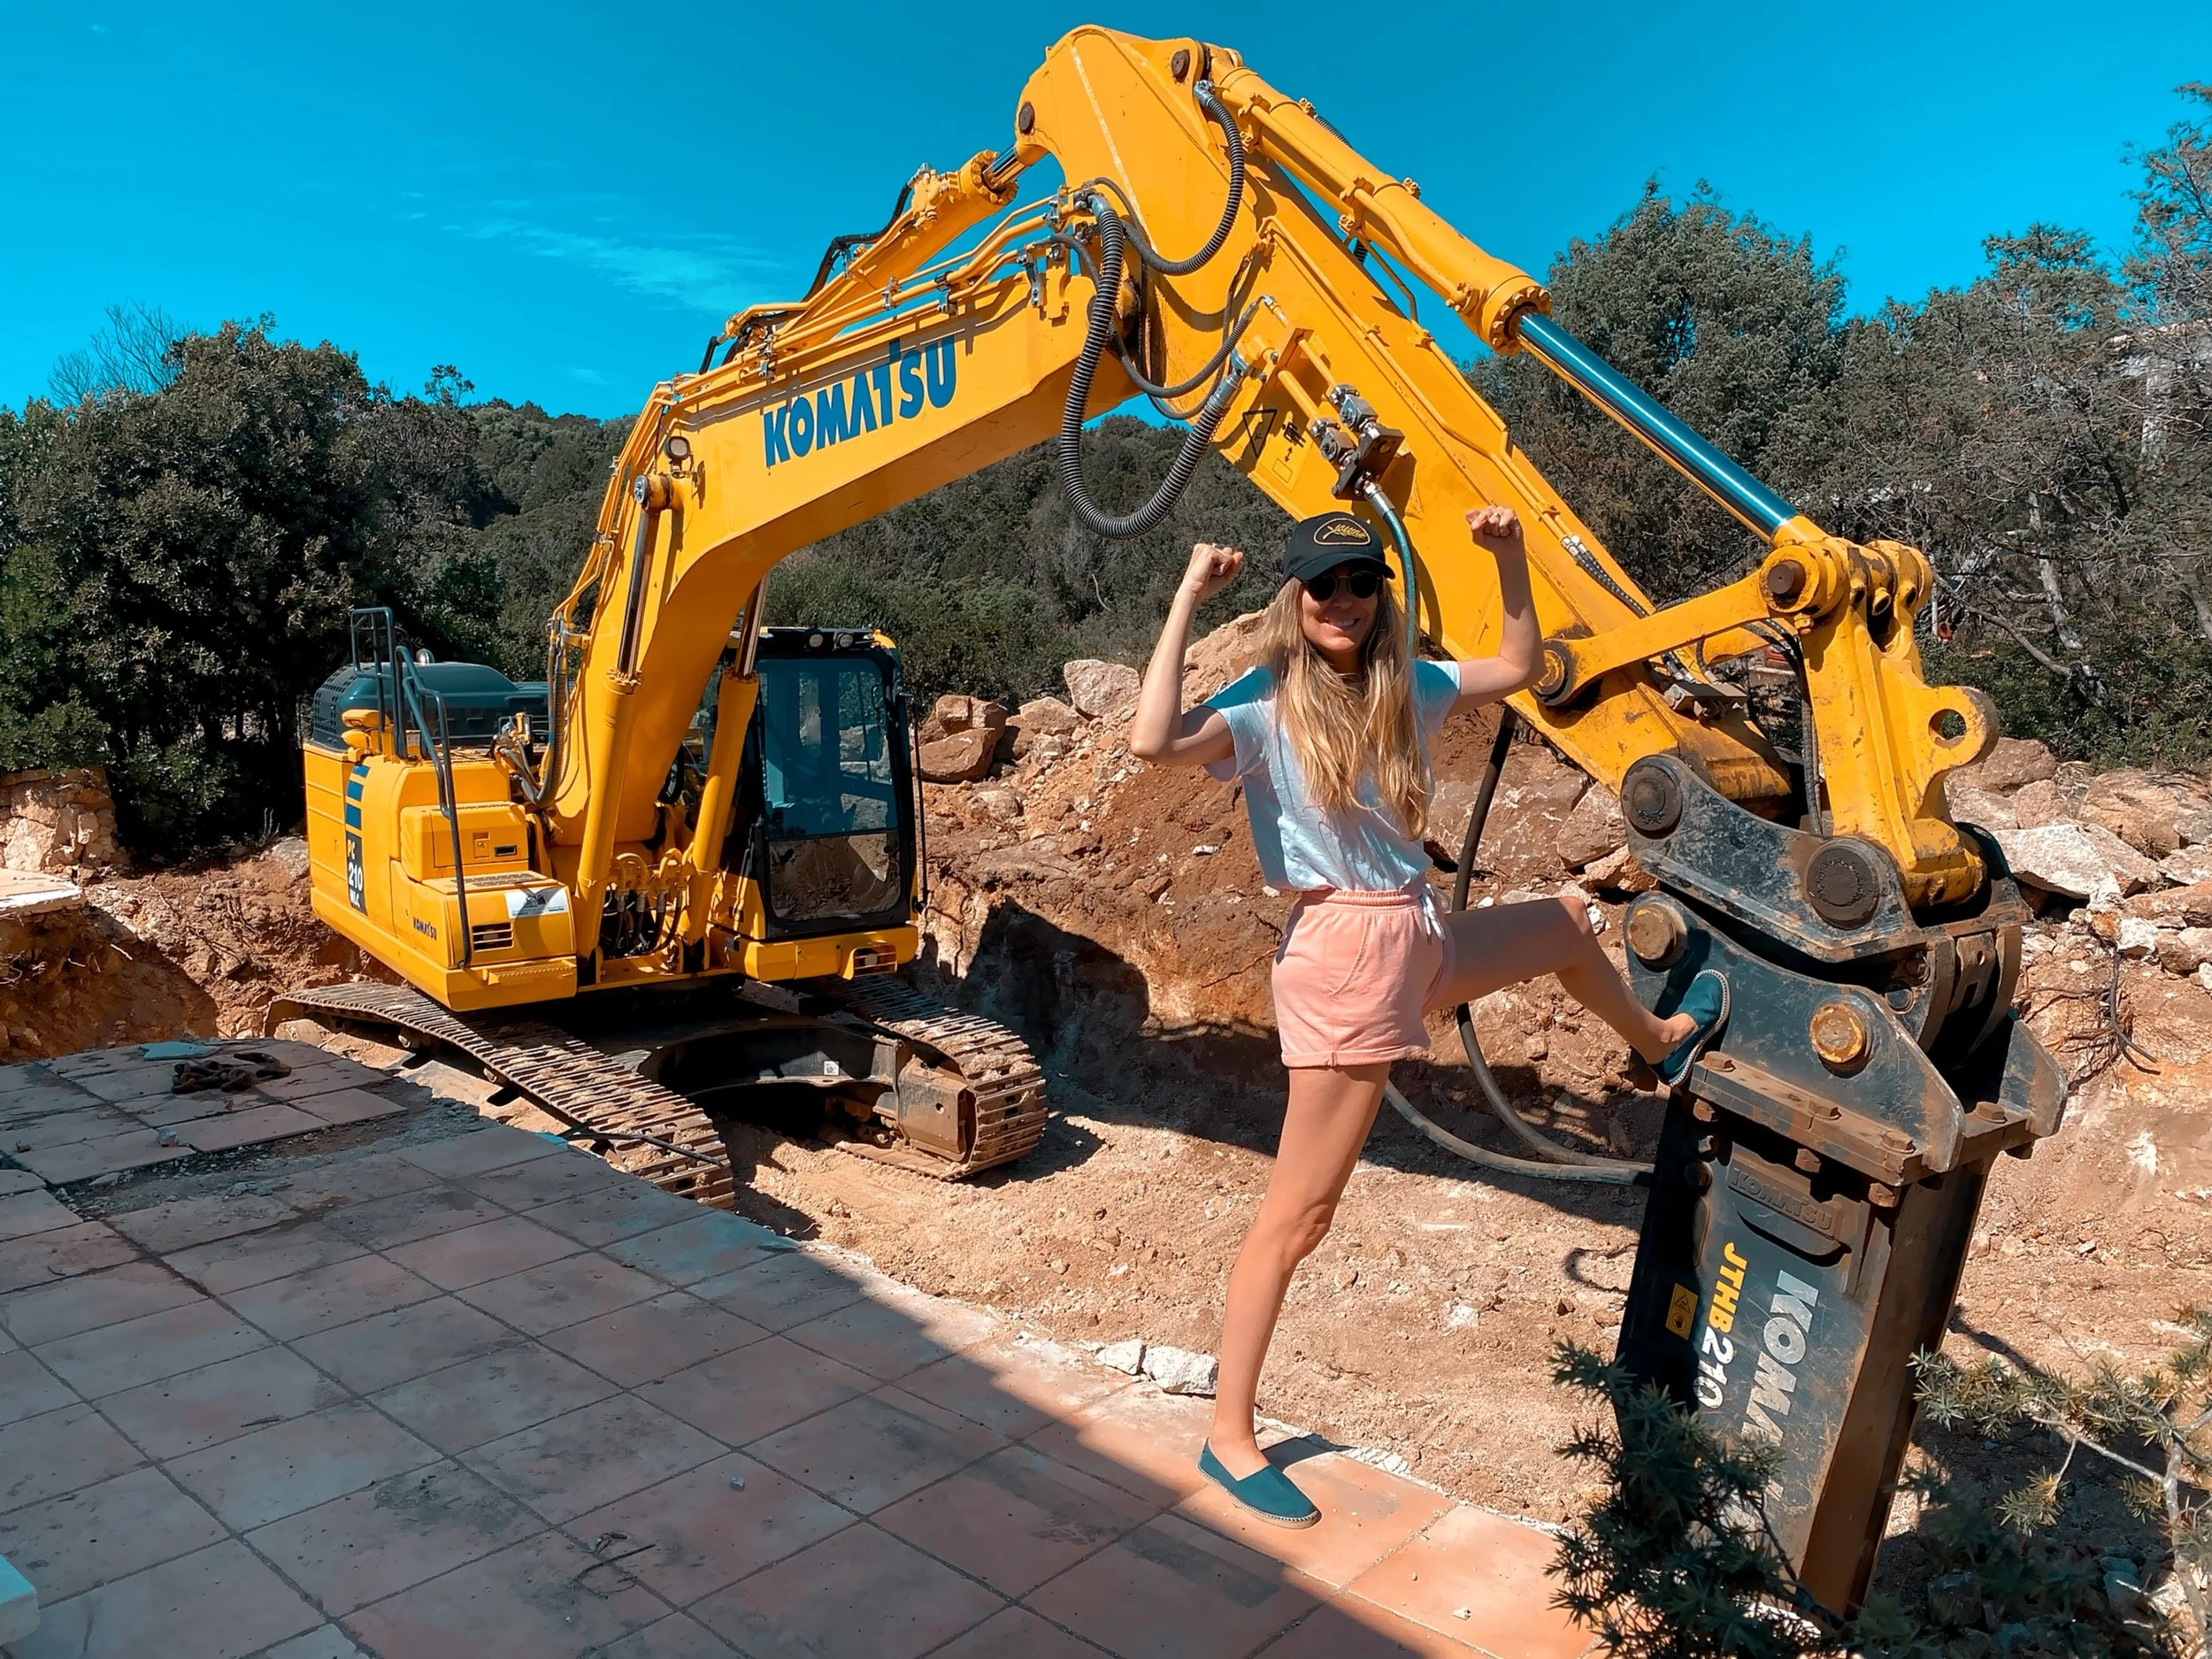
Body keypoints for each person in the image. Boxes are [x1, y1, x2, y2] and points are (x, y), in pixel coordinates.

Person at [1126, 504, 1726, 1528]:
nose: (1344, 601)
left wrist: (1510, 558)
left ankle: (1661, 1042)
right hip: (1346, 960)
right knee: (1297, 1219)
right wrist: (1186, 594)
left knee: (1567, 926)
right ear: (1293, 598)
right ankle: (1229, 1436)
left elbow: (1519, 664)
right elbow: (1152, 741)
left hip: (1412, 934)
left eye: (1361, 582)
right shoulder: (1265, 704)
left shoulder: (1407, 687)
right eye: (1323, 586)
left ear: (1380, 594)